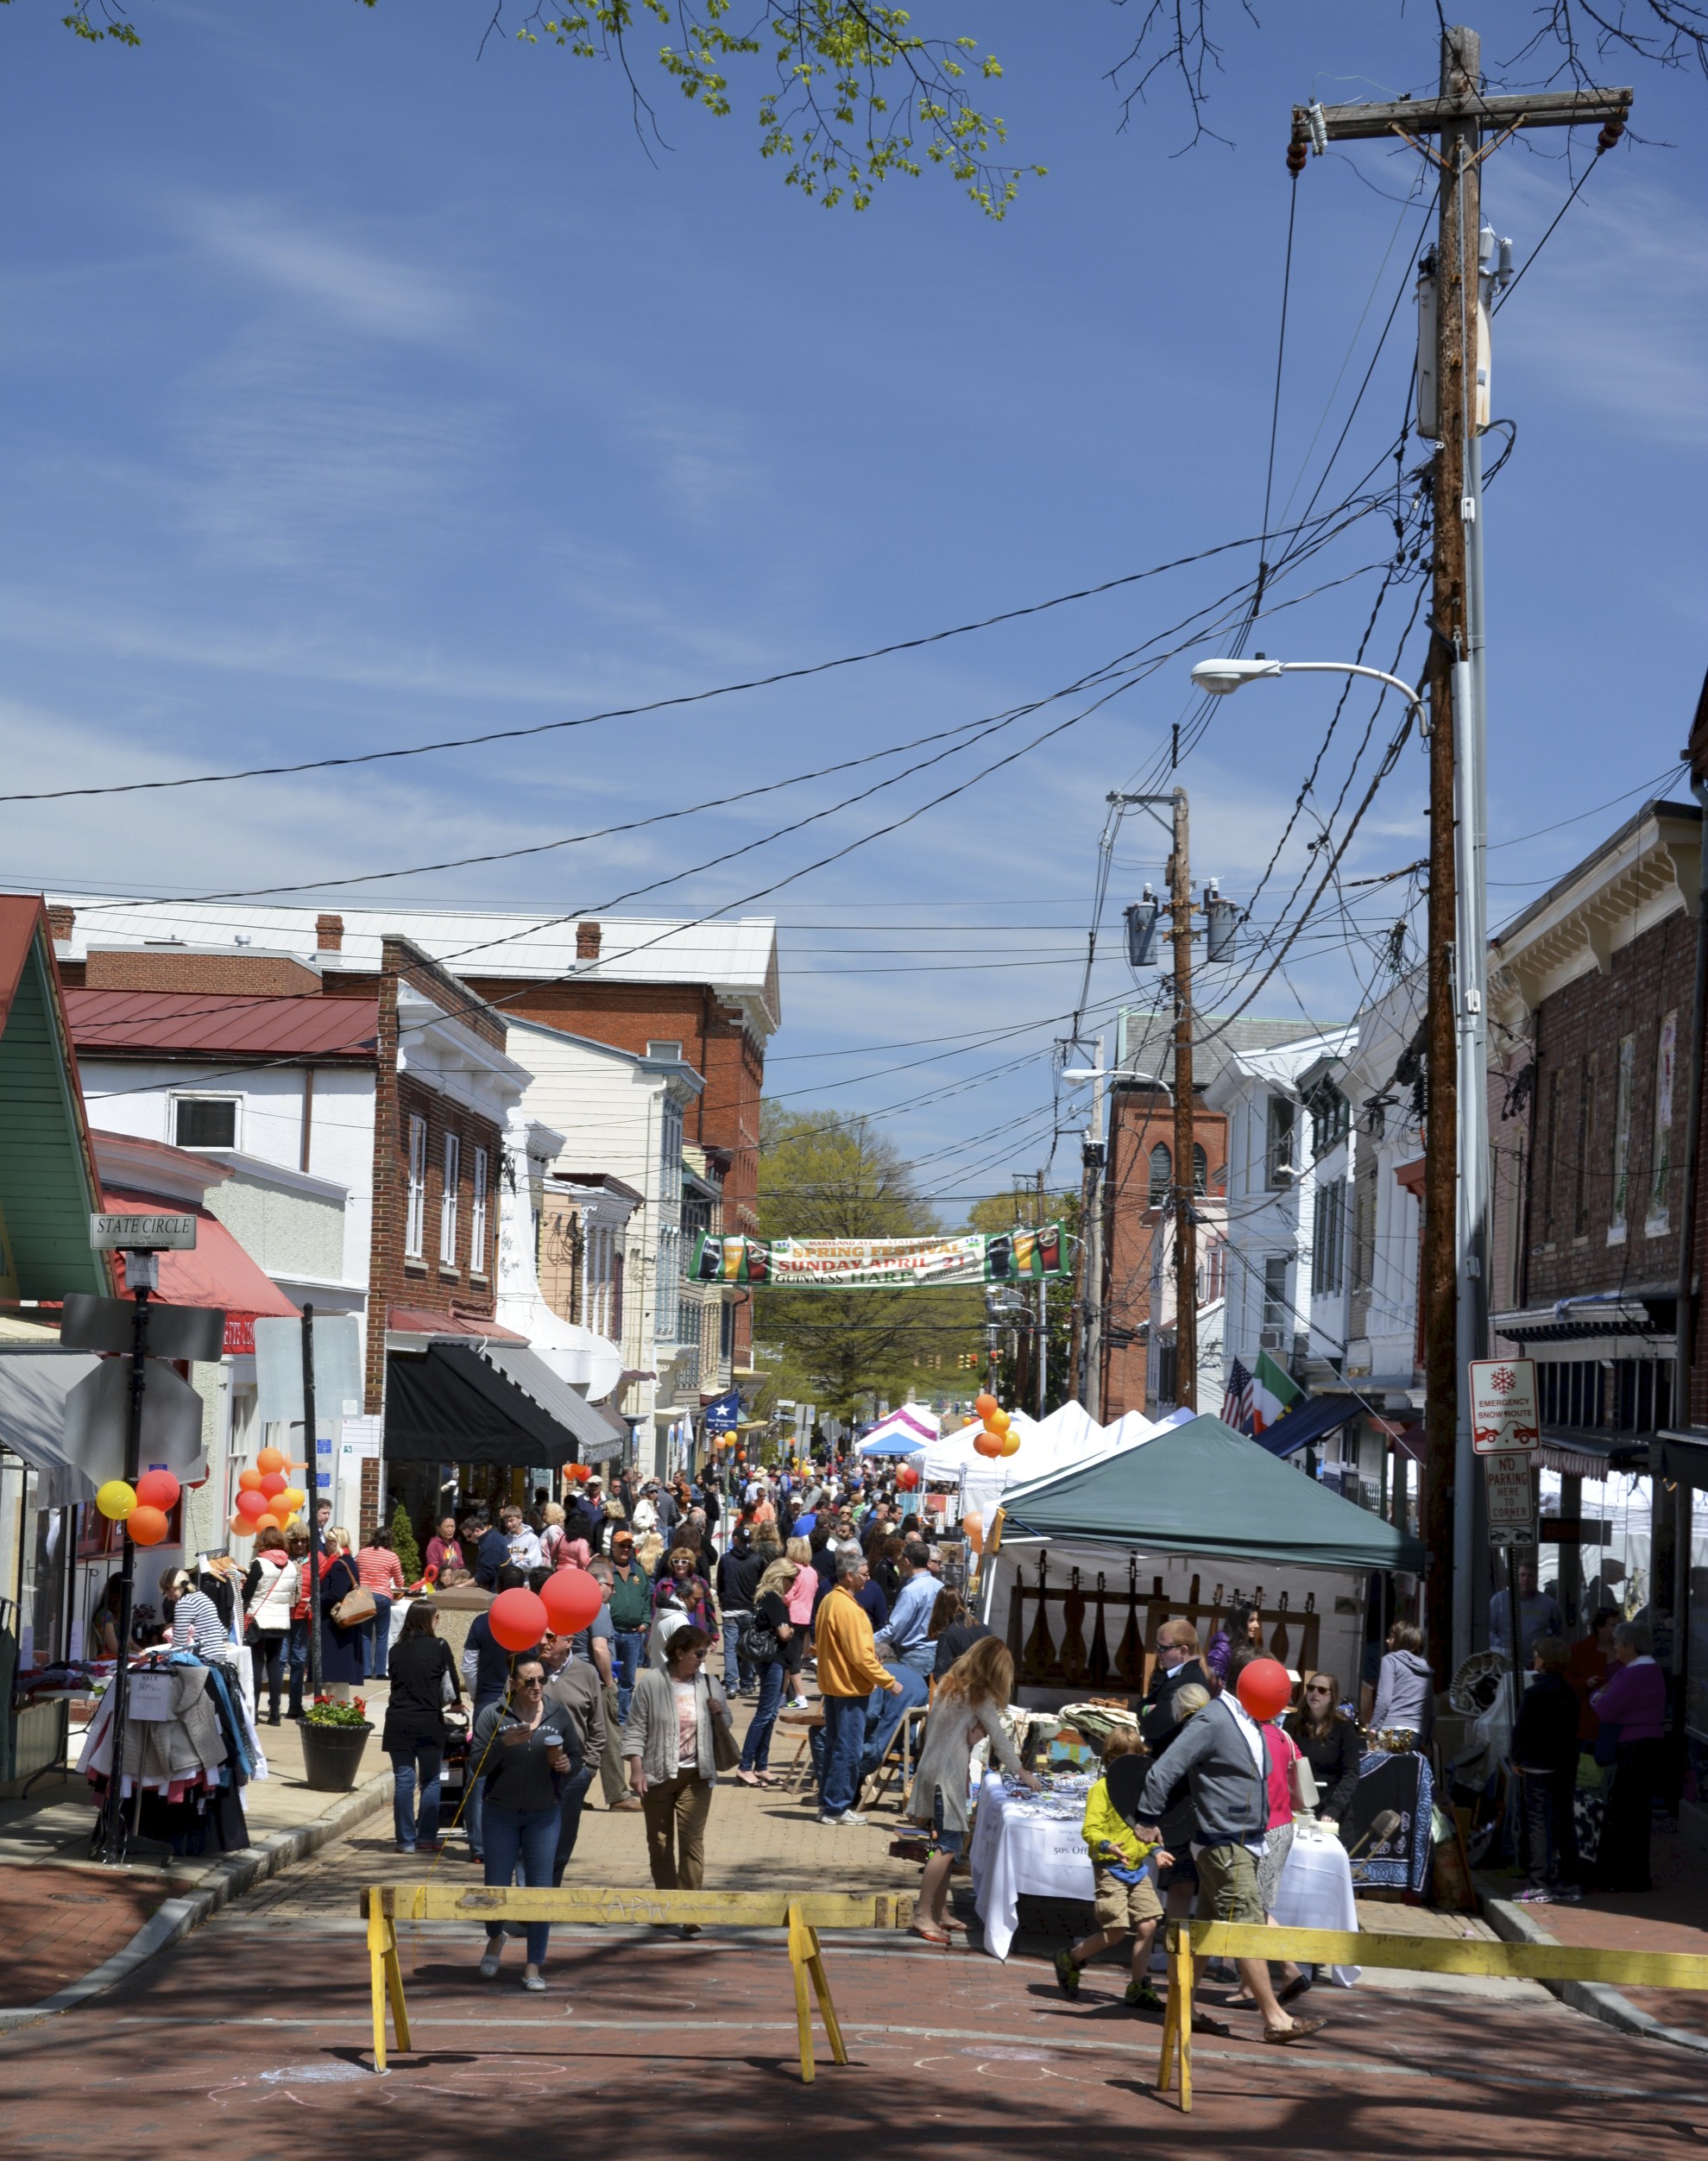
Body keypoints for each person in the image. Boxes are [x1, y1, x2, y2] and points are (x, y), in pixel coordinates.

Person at [1135, 1673, 1326, 2045]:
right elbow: (1164, 1768)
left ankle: (1184, 2007)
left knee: (1208, 1930)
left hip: (1241, 1842)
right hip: (1223, 1844)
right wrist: (1147, 1817)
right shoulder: (1213, 1719)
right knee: (1247, 1926)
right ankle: (1275, 2018)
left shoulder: (1246, 1721)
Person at [906, 1638, 1037, 1945]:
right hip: (946, 1775)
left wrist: (969, 1741)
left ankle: (939, 1911)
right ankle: (923, 1913)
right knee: (948, 1846)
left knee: (947, 1843)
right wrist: (1022, 1772)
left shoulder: (949, 1683)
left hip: (935, 1769)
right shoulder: (979, 1695)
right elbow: (1000, 1740)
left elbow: (948, 1732)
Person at [472, 1654, 580, 1989]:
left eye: (542, 1680)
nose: (537, 1687)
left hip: (544, 1814)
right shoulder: (494, 1715)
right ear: (513, 1683)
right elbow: (477, 1765)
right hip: (500, 1813)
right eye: (529, 1681)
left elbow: (577, 1756)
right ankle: (495, 1938)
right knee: (496, 1885)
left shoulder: (557, 1713)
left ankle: (534, 1966)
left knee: (541, 1889)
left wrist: (567, 1766)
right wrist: (502, 1744)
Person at [622, 1625, 734, 1925]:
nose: (703, 1658)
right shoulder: (651, 1683)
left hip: (697, 1774)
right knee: (659, 1843)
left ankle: (689, 1909)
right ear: (679, 1652)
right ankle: (666, 1906)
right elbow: (635, 1728)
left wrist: (719, 1712)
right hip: (657, 1774)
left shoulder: (710, 1683)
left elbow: (728, 1720)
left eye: (705, 1653)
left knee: (692, 1841)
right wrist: (636, 1769)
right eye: (698, 1653)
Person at [1053, 1726, 1167, 2009]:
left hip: (1136, 1868)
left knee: (1149, 1924)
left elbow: (1145, 1832)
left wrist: (1157, 1851)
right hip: (1109, 1867)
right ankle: (1071, 1958)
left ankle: (1138, 1987)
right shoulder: (1101, 1790)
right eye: (1122, 1762)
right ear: (1109, 1760)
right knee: (1116, 1931)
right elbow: (1090, 1829)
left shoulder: (1141, 1793)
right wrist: (1107, 1845)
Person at [812, 1553, 903, 1827]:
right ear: (849, 1576)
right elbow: (861, 1656)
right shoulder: (846, 1608)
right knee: (848, 1749)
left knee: (835, 1747)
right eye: (864, 1573)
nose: (868, 1578)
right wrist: (888, 1681)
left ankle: (829, 1804)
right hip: (849, 1688)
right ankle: (837, 1806)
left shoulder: (831, 1600)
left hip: (835, 1685)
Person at [461, 1564, 534, 1861]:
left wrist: (478, 1695)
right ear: (523, 1588)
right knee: (524, 1769)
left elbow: (468, 1666)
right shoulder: (532, 1621)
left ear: (497, 1588)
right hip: (523, 1703)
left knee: (479, 1772)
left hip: (487, 1701)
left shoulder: (482, 1622)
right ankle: (517, 1843)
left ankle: (479, 1846)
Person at [1589, 1618, 1667, 1893]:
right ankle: (1630, 1874)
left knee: (1627, 1813)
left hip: (1636, 1747)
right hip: (1640, 1745)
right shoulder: (1638, 1669)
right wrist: (1601, 1696)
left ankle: (1627, 1876)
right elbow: (1603, 1696)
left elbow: (1605, 1706)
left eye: (1618, 1643)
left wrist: (1599, 1697)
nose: (1616, 1648)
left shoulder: (1636, 1673)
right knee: (1631, 1811)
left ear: (1630, 1646)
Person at [383, 1602, 463, 1852]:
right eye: (437, 1617)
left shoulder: (395, 1649)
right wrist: (456, 1703)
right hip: (428, 1719)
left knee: (404, 1781)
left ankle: (405, 1841)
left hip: (398, 1720)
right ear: (427, 1619)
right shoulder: (439, 1646)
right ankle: (427, 1837)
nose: (438, 1621)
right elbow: (451, 1679)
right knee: (430, 1780)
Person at [861, 1540, 938, 1787]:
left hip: (914, 1654)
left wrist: (866, 1642)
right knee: (918, 1714)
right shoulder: (938, 1587)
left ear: (906, 1561)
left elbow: (895, 1627)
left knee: (905, 1714)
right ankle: (908, 1770)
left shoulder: (913, 1590)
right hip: (932, 1652)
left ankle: (905, 1772)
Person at [1511, 1635, 1582, 1904]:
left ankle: (1539, 1882)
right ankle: (1569, 1881)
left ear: (1544, 1660)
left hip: (1538, 1763)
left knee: (1538, 1822)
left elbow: (1523, 1729)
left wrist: (1516, 1758)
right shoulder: (1570, 1693)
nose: (1535, 1659)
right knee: (1564, 1819)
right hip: (1564, 1764)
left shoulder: (1535, 1693)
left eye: (1537, 1655)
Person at [539, 1629, 602, 1876]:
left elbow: (598, 1725)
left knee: (562, 1844)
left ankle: (551, 1892)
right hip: (532, 1772)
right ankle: (528, 1893)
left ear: (569, 1642)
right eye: (540, 1636)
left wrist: (589, 1769)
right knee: (530, 1843)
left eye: (550, 1637)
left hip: (573, 1775)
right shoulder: (527, 1670)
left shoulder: (587, 1673)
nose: (542, 1642)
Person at [735, 1560, 797, 1786]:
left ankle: (761, 1766)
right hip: (773, 1662)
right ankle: (745, 1766)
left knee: (770, 1715)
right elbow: (783, 1633)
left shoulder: (764, 1598)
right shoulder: (773, 1599)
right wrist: (791, 1631)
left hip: (771, 1662)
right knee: (764, 1714)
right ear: (781, 1577)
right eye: (791, 1580)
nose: (793, 1585)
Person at [1285, 1673, 1360, 1830]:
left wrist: (1335, 1808)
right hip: (1298, 1806)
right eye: (1311, 1688)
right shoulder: (1292, 1723)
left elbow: (1351, 1773)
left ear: (1332, 1697)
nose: (1315, 1693)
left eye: (1322, 1690)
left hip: (1331, 1807)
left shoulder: (1344, 1728)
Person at [243, 1528, 295, 1724]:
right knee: (275, 1666)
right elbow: (291, 1592)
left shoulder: (260, 1563)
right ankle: (275, 1713)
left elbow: (247, 1594)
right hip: (281, 1621)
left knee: (257, 1665)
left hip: (259, 1621)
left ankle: (254, 1711)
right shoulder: (291, 1565)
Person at [607, 1531, 653, 1720]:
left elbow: (646, 1599)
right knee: (608, 1678)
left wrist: (645, 1622)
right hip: (610, 1634)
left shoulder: (639, 1572)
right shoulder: (606, 1569)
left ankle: (622, 1719)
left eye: (628, 1546)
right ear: (613, 1547)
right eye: (622, 1546)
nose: (625, 1550)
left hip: (633, 1635)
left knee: (627, 1680)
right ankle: (609, 1716)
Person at [317, 1528, 367, 1699]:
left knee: (335, 1676)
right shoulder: (348, 1560)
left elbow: (336, 1593)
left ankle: (338, 1709)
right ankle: (338, 1707)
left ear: (334, 1542)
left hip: (336, 1626)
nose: (326, 1545)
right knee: (337, 1676)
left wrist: (315, 1599)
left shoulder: (339, 1564)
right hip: (343, 1624)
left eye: (328, 1541)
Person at [1491, 1560, 1566, 1669]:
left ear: (1536, 1579)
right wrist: (1501, 1645)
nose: (1526, 1579)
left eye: (1530, 1576)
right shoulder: (1499, 1600)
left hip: (1536, 1666)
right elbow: (1488, 1630)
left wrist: (1546, 1651)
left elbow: (1560, 1633)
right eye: (1522, 1575)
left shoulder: (1550, 1604)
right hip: (1503, 1664)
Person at [716, 1531, 766, 1698]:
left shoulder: (726, 1559)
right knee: (747, 1647)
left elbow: (720, 1583)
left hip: (731, 1608)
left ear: (735, 1539)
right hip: (749, 1608)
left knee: (731, 1649)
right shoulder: (757, 1559)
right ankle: (746, 1683)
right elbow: (762, 1583)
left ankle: (731, 1685)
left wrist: (722, 1601)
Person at [1368, 1621, 1434, 1744]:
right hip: (1416, 1732)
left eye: (1392, 1637)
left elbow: (1384, 1700)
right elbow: (1429, 1709)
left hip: (1391, 1730)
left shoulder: (1390, 1660)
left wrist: (1374, 1728)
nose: (1387, 1640)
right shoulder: (1426, 1669)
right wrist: (1427, 1738)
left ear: (1401, 1640)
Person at [355, 1527, 405, 1680]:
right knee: (382, 1636)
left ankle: (365, 1671)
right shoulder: (392, 1556)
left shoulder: (362, 1553)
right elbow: (399, 1582)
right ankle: (380, 1671)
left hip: (363, 1594)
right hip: (382, 1595)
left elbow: (356, 1572)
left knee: (365, 1635)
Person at [162, 1566, 236, 1665]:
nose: (168, 1596)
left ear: (176, 1587)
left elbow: (179, 1644)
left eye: (167, 1591)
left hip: (202, 1658)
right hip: (218, 1654)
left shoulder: (184, 1603)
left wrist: (164, 1657)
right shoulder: (202, 1597)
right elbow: (222, 1632)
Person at [1568, 1607, 1618, 1747]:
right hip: (1589, 1716)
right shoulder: (1579, 1649)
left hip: (1618, 1717)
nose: (1617, 1629)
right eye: (1613, 1625)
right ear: (1599, 1627)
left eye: (1619, 1625)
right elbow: (1567, 1680)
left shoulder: (1624, 1648)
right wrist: (1585, 1683)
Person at [781, 1534, 818, 1706]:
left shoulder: (794, 1571)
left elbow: (789, 1595)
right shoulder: (812, 1572)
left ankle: (800, 1697)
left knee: (792, 1660)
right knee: (792, 1658)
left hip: (792, 1617)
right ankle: (784, 1695)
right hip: (805, 1618)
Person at [928, 1586, 993, 1679]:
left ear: (939, 1607)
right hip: (985, 1683)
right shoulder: (984, 1628)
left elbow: (941, 1674)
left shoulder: (948, 1635)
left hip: (962, 1684)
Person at [655, 1544, 717, 1635]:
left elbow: (710, 1610)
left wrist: (714, 1634)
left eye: (684, 1562)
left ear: (690, 1564)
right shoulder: (663, 1584)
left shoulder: (700, 1583)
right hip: (671, 1633)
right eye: (676, 1561)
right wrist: (650, 1634)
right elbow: (655, 1610)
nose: (680, 1565)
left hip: (697, 1632)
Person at [1206, 1600, 1263, 1688]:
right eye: (1251, 1620)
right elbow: (1214, 1684)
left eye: (1256, 1620)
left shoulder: (1243, 1645)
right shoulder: (1222, 1648)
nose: (1257, 1625)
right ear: (1239, 1621)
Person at [473, 1515, 511, 1591]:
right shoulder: (493, 1536)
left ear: (477, 1531)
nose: (468, 1539)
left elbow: (486, 1573)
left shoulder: (491, 1542)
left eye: (469, 1536)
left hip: (497, 1587)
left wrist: (462, 1586)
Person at [424, 1515, 464, 1583]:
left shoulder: (456, 1544)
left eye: (452, 1526)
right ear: (438, 1528)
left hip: (455, 1582)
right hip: (440, 1583)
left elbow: (460, 1564)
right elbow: (433, 1567)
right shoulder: (434, 1545)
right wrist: (445, 1577)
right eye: (447, 1527)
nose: (450, 1530)